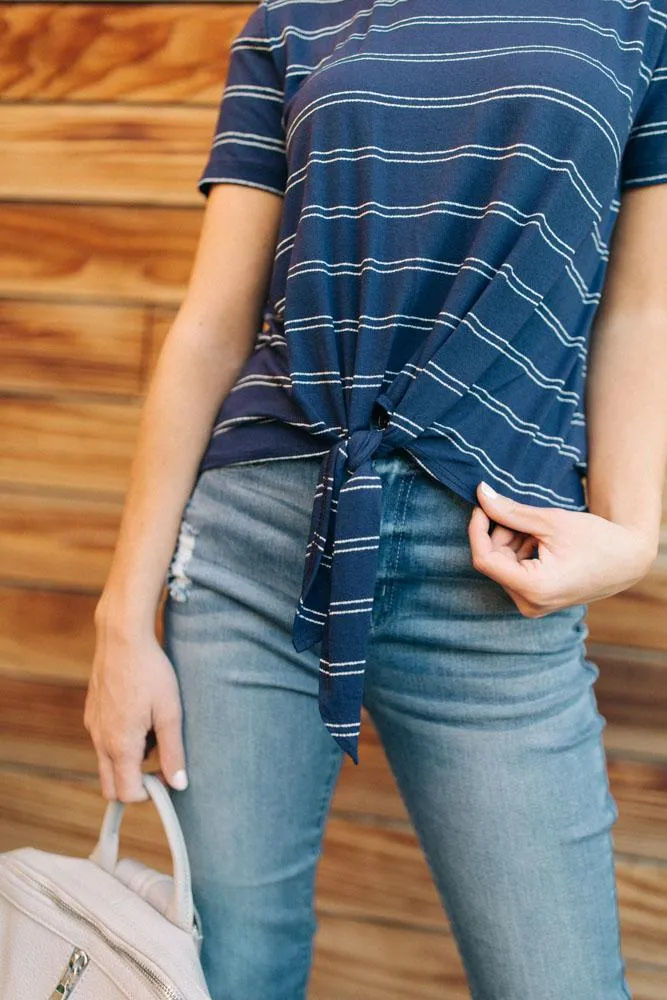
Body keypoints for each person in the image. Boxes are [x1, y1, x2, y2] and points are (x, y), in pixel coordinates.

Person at [84, 2, 667, 997]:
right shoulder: (293, 18)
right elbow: (211, 329)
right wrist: (120, 619)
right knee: (231, 975)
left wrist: (631, 536)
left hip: (492, 582)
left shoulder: (640, 20)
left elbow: (643, 307)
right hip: (250, 559)